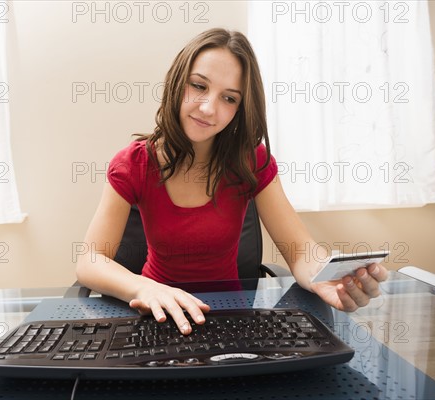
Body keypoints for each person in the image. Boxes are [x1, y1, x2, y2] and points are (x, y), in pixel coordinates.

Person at [76, 28, 388, 335]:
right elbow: (91, 259)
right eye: (198, 86)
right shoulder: (134, 163)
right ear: (176, 82)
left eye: (229, 98)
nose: (209, 108)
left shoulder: (250, 161)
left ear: (240, 109)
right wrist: (143, 288)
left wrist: (324, 276)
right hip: (156, 315)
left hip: (232, 319)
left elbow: (301, 251)